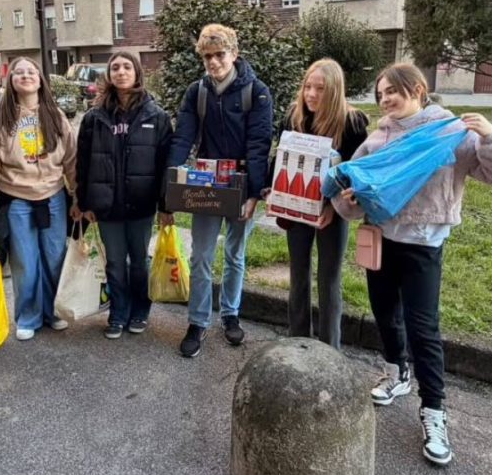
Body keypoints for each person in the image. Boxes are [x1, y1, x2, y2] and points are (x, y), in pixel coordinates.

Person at [331, 63, 492, 466]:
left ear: (418, 89)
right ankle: (397, 374)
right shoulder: (377, 138)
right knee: (385, 314)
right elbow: (354, 188)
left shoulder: (450, 132)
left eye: (393, 92)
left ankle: (434, 411)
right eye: (381, 93)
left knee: (423, 328)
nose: (385, 99)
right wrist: (348, 202)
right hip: (380, 238)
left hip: (423, 244)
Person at [163, 24, 273, 358]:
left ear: (234, 54)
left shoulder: (256, 92)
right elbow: (183, 138)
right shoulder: (197, 92)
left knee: (235, 255)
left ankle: (230, 314)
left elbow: (259, 144)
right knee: (201, 256)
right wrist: (168, 187)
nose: (213, 62)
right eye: (207, 56)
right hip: (208, 186)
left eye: (219, 55)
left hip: (242, 188)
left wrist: (254, 194)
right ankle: (197, 321)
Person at [0, 57, 77, 341]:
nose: (26, 75)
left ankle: (52, 311)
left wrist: (78, 197)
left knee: (55, 258)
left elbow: (71, 161)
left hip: (53, 197)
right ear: (11, 81)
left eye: (31, 71)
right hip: (16, 200)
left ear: (41, 79)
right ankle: (28, 316)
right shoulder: (0, 120)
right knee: (25, 263)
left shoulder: (55, 116)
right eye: (19, 72)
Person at [267, 58, 368, 349]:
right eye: (308, 86)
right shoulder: (295, 116)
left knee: (329, 278)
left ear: (334, 91)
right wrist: (272, 190)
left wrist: (333, 209)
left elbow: (356, 172)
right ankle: (298, 340)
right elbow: (280, 160)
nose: (311, 94)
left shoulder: (353, 123)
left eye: (320, 89)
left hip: (332, 212)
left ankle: (329, 348)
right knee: (298, 273)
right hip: (297, 208)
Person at [71, 52, 173, 339]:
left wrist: (166, 206)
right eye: (114, 67)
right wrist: (83, 201)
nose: (120, 71)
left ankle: (140, 309)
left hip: (142, 204)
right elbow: (82, 162)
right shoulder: (94, 117)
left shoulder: (158, 116)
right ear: (109, 75)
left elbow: (167, 164)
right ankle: (118, 312)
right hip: (106, 205)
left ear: (137, 73)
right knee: (115, 262)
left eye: (127, 66)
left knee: (139, 261)